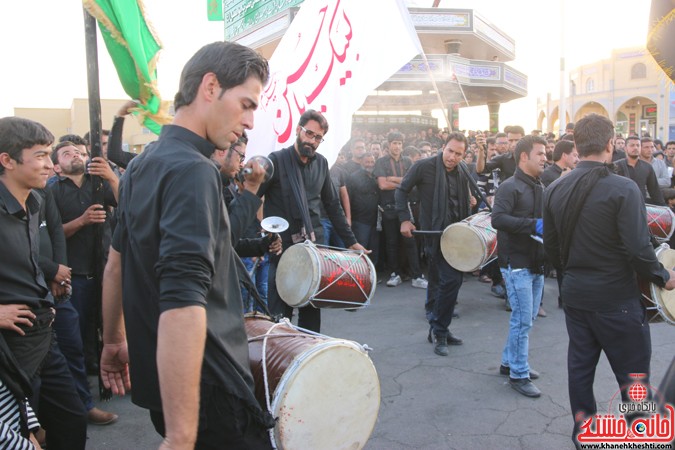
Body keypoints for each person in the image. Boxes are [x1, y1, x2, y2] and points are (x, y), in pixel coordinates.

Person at [100, 41, 275, 449]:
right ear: (210, 87)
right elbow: (182, 299)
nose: (250, 121)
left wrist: (112, 341)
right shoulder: (194, 171)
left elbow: (116, 265)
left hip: (166, 385)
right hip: (209, 389)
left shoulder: (143, 164)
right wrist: (181, 437)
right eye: (246, 104)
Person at [543, 113, 675, 448]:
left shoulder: (555, 188)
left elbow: (552, 250)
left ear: (576, 145)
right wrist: (664, 276)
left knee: (580, 370)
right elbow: (638, 250)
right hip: (617, 300)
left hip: (575, 297)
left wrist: (571, 279)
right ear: (610, 144)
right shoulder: (623, 187)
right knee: (633, 378)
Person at [0, 116, 88, 449]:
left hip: (42, 333)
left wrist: (47, 282)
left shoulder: (36, 201)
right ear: (7, 160)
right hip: (8, 347)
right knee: (19, 437)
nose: (50, 165)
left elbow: (30, 257)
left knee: (71, 418)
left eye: (50, 154)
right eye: (39, 155)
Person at [257, 110, 366, 333]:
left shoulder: (322, 164)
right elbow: (256, 197)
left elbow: (333, 206)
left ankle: (306, 357)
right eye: (309, 133)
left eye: (318, 137)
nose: (312, 140)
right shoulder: (276, 160)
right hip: (282, 248)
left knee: (310, 311)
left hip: (313, 247)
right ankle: (278, 361)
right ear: (298, 130)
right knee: (280, 315)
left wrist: (351, 242)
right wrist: (261, 233)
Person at [395, 132, 475, 356]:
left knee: (441, 280)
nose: (452, 157)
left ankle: (438, 325)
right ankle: (439, 329)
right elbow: (401, 191)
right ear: (443, 146)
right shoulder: (424, 166)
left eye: (458, 154)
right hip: (434, 234)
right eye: (450, 151)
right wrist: (404, 219)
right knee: (451, 281)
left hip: (457, 236)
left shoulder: (462, 171)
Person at [492, 135, 548, 398]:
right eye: (540, 153)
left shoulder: (540, 185)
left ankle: (509, 363)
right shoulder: (509, 187)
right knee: (522, 320)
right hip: (516, 264)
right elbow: (498, 219)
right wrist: (533, 225)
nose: (545, 158)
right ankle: (518, 374)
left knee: (527, 319)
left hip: (536, 262)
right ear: (524, 156)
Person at [375, 131, 426, 289]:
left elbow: (413, 183)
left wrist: (393, 180)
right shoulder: (381, 162)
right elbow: (382, 185)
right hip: (389, 207)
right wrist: (403, 183)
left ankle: (417, 276)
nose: (397, 146)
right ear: (388, 144)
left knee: (411, 241)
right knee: (392, 242)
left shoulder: (408, 161)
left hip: (406, 207)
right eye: (394, 143)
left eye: (399, 143)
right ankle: (395, 274)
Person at [614, 135, 665, 205]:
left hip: (640, 205)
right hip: (620, 205)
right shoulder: (616, 166)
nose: (635, 148)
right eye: (632, 145)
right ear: (625, 148)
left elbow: (655, 191)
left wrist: (663, 208)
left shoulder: (647, 167)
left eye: (638, 145)